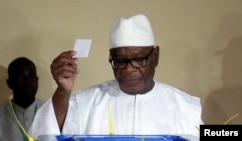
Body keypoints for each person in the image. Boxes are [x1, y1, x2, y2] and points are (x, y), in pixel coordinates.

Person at [29, 14, 203, 139]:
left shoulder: (185, 108)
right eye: (119, 61)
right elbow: (45, 135)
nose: (128, 69)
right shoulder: (86, 102)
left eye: (138, 59)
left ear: (155, 57)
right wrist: (63, 91)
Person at [0, 57, 45, 141]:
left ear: (37, 79)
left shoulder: (52, 111)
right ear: (10, 83)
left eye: (31, 76)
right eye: (20, 77)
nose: (27, 82)